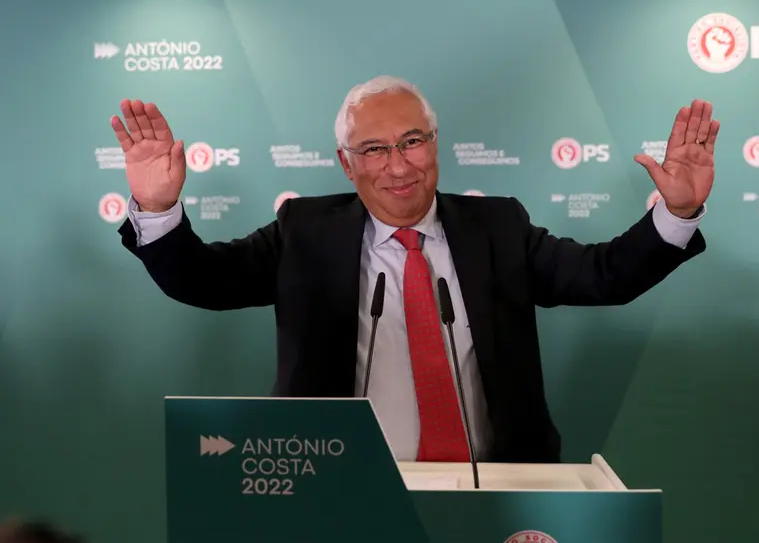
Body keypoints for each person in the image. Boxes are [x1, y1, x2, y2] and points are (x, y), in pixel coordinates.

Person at [111, 76, 719, 464]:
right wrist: (160, 209)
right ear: (346, 166)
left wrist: (679, 209)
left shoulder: (498, 227)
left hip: (495, 491)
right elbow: (204, 281)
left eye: (412, 141)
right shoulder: (304, 231)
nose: (398, 166)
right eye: (374, 149)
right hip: (341, 489)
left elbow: (603, 276)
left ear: (436, 143)